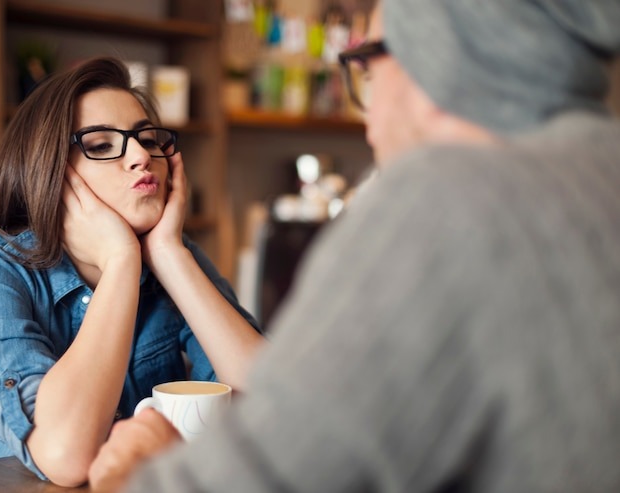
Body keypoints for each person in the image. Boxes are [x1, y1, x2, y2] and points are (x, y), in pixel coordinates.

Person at [87, 0, 620, 491]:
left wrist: (142, 471)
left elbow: (269, 473)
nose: (368, 123)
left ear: (430, 59)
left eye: (366, 68)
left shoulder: (446, 200)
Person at [0, 57, 264, 487]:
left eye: (149, 139)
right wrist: (121, 260)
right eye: (101, 145)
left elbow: (279, 410)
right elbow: (65, 454)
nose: (141, 156)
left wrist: (169, 254)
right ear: (50, 172)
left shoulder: (173, 258)